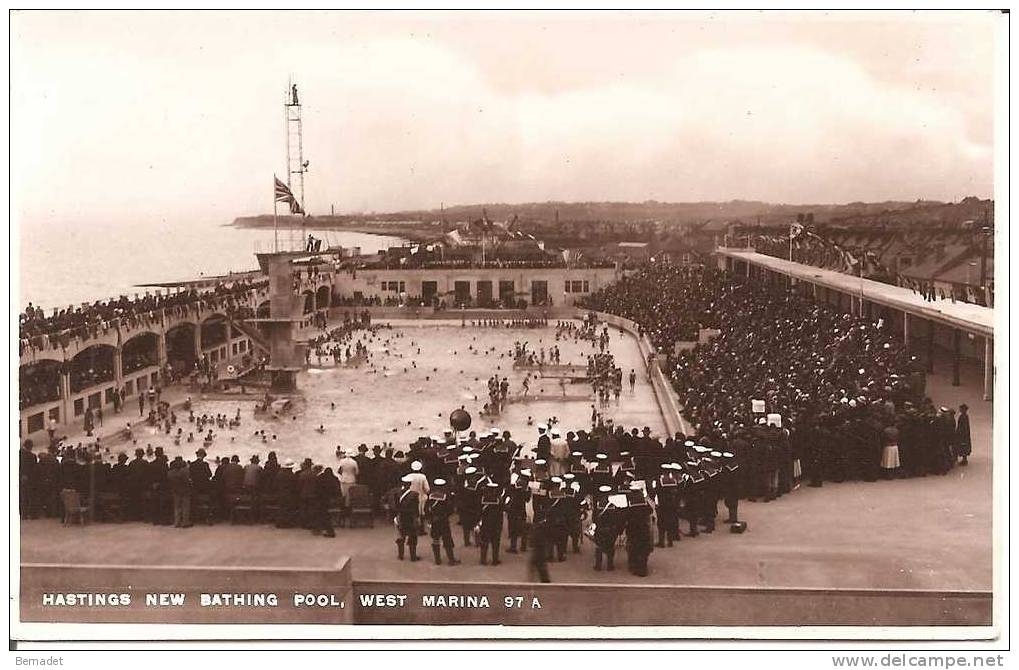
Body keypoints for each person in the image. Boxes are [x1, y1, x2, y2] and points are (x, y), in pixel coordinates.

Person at [425, 478, 460, 565]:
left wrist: (430, 517)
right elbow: (450, 509)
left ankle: (437, 560)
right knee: (447, 540)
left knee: (435, 539)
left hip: (434, 521)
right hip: (443, 520)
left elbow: (426, 509)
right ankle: (451, 560)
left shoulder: (430, 496)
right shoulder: (446, 496)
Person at [394, 475, 421, 561]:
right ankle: (413, 556)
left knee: (400, 535)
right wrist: (417, 518)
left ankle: (400, 555)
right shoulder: (414, 494)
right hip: (410, 517)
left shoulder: (397, 493)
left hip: (400, 516)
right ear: (410, 484)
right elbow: (416, 508)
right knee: (412, 536)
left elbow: (395, 506)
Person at [478, 482, 505, 566]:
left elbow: (479, 511)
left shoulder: (482, 499)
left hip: (485, 524)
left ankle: (483, 560)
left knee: (484, 542)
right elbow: (501, 512)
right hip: (496, 524)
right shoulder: (499, 500)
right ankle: (495, 560)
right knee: (495, 543)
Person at [314, 467, 340, 537]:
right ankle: (327, 530)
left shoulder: (320, 478)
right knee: (324, 514)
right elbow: (338, 492)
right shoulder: (335, 479)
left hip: (322, 500)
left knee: (322, 514)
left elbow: (316, 490)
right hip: (332, 501)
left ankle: (323, 530)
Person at [167, 456, 192, 528]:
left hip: (175, 490)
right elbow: (188, 481)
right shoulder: (185, 471)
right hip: (185, 490)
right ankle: (185, 522)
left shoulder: (170, 473)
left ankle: (177, 522)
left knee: (177, 507)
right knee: (185, 507)